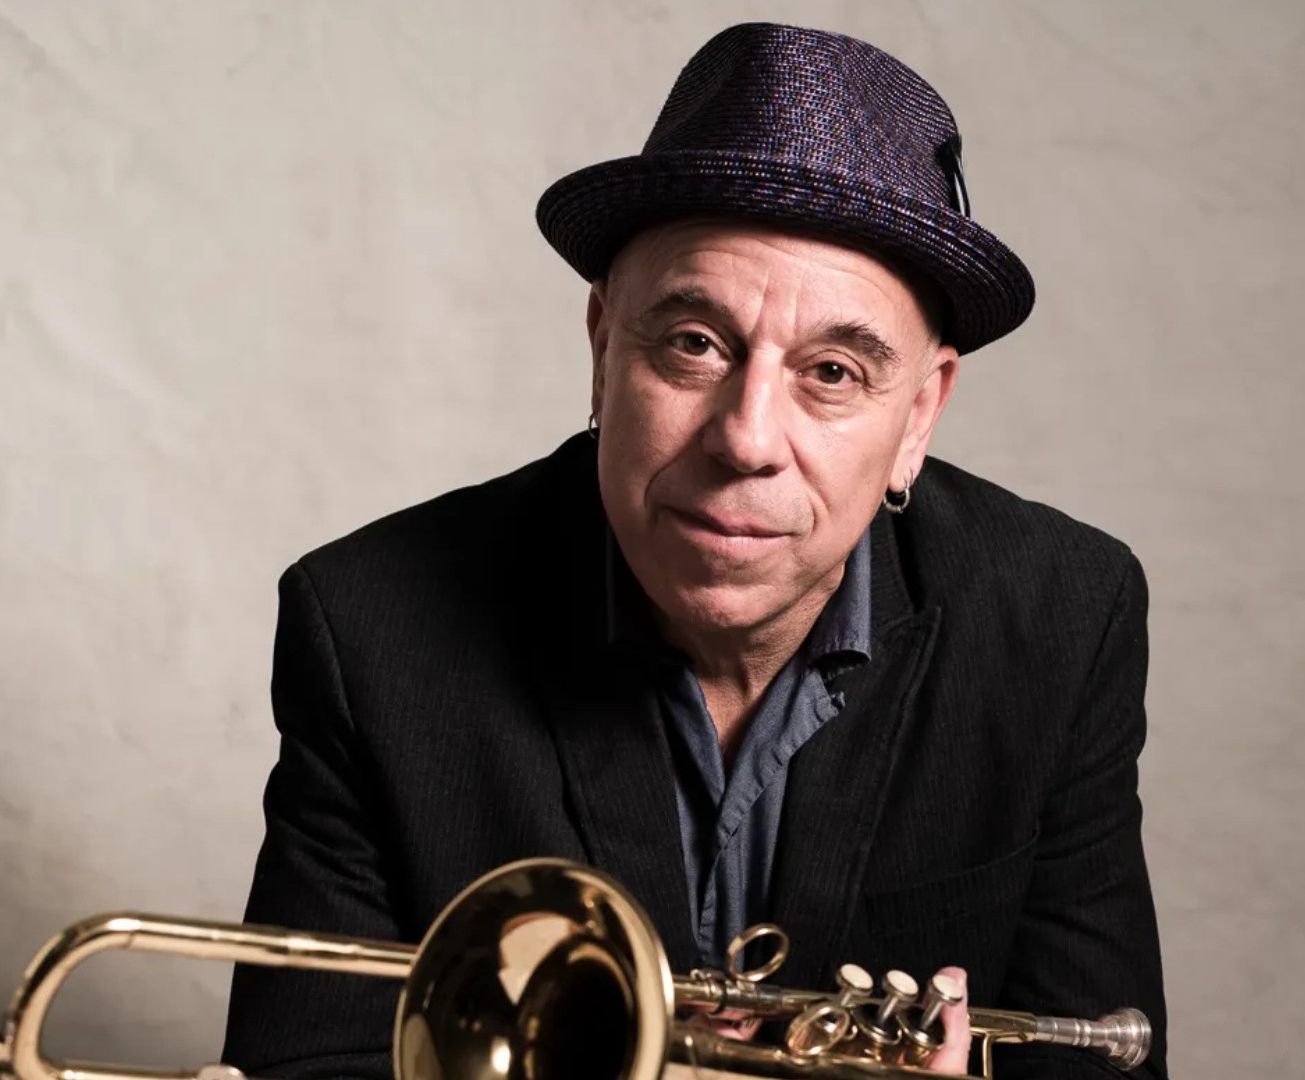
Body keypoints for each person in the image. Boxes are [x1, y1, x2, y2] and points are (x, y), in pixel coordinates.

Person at [221, 21, 1167, 1080]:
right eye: (694, 344)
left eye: (835, 373)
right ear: (601, 349)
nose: (747, 438)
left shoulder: (1062, 623)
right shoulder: (370, 631)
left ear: (919, 417)